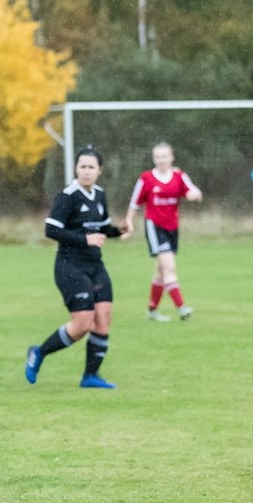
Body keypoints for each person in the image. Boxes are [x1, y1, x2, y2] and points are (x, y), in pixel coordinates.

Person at [25, 147, 128, 389]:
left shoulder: (100, 195)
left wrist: (119, 230)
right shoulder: (68, 195)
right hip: (69, 266)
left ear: (99, 171)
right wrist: (85, 240)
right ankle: (38, 352)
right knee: (83, 323)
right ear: (76, 168)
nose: (86, 171)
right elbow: (51, 230)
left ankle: (90, 376)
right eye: (82, 166)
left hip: (95, 265)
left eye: (91, 167)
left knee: (103, 319)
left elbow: (102, 229)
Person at [123, 142, 203, 321]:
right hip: (155, 226)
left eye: (164, 156)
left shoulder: (179, 176)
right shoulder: (146, 179)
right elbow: (135, 203)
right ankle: (181, 307)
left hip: (173, 227)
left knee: (161, 271)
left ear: (171, 157)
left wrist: (194, 194)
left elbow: (195, 191)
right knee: (169, 267)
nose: (161, 160)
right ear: (154, 159)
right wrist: (129, 223)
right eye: (157, 157)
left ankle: (152, 311)